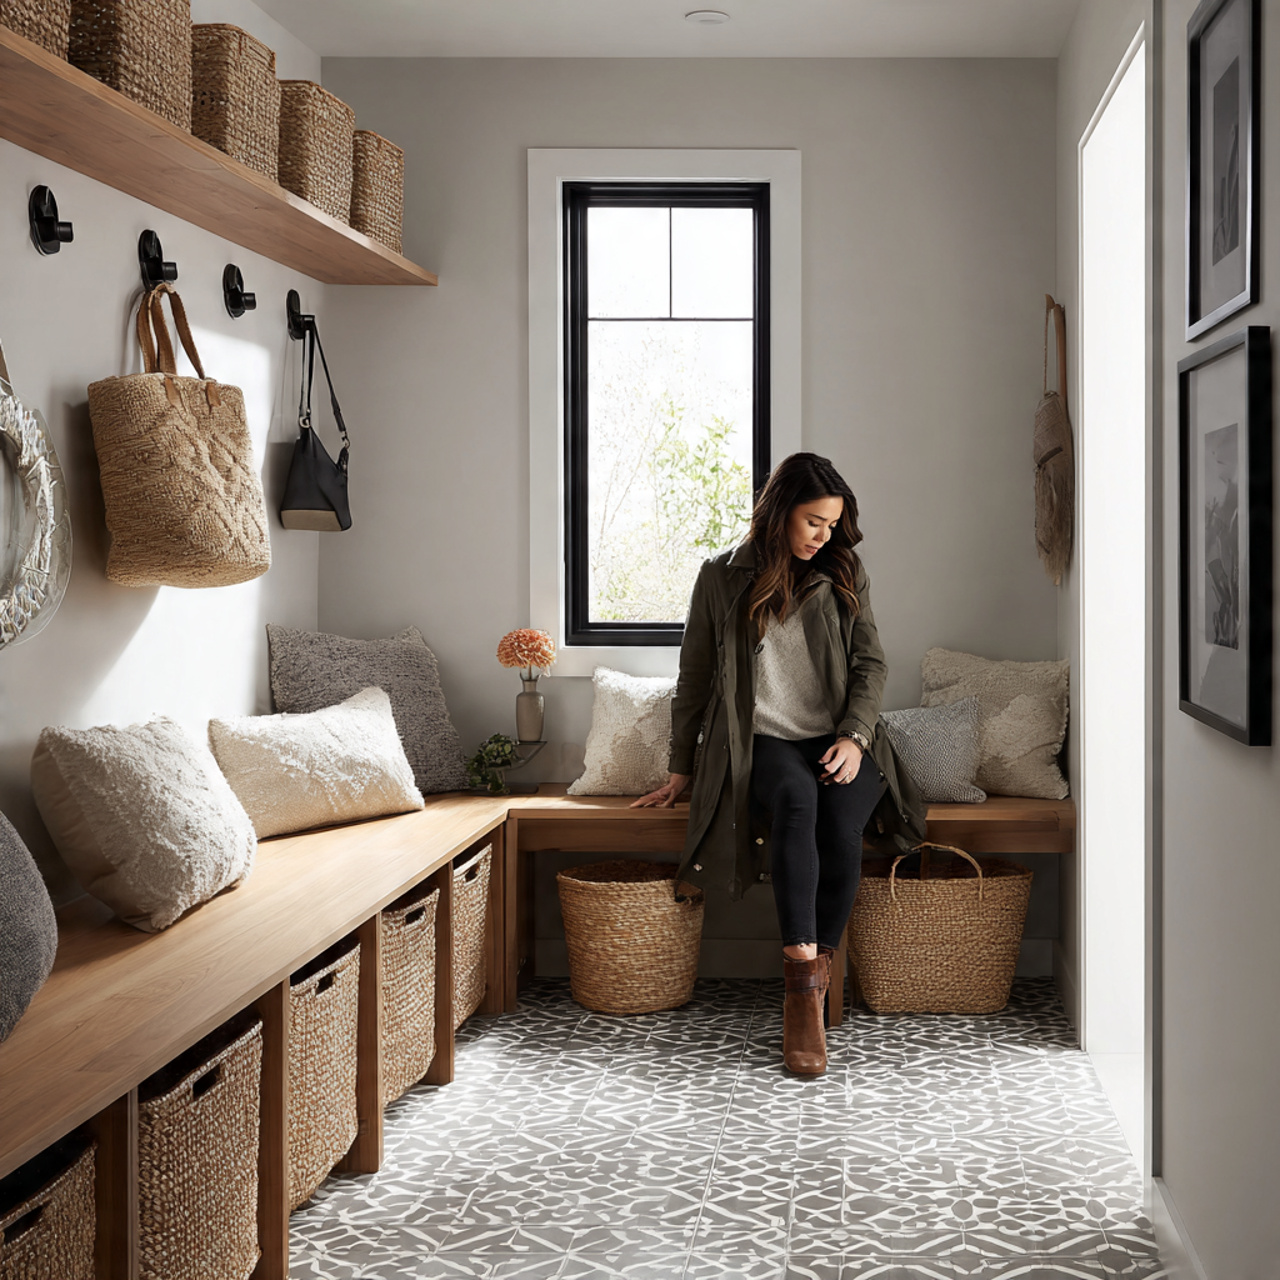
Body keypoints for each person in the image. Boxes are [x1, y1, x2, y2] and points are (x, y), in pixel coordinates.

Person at [633, 452, 925, 1075]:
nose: (824, 536)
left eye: (832, 524)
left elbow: (871, 664)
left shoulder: (844, 569)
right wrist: (680, 767)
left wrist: (854, 737)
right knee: (797, 801)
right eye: (814, 521)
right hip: (760, 739)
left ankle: (813, 981)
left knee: (840, 820)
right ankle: (801, 989)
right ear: (778, 512)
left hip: (840, 736)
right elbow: (696, 676)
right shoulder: (720, 577)